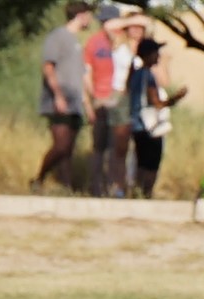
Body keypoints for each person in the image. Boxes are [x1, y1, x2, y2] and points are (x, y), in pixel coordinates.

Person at [37, 0, 90, 192]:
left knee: (68, 150)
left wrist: (87, 106)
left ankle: (67, 188)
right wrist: (58, 95)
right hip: (58, 101)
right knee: (61, 145)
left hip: (75, 102)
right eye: (88, 15)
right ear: (81, 15)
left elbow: (80, 77)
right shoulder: (58, 36)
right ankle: (38, 178)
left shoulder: (76, 42)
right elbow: (48, 66)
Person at [124, 33, 179, 193]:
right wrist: (175, 99)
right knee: (151, 164)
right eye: (156, 52)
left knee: (140, 162)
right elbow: (156, 103)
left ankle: (136, 192)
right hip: (149, 126)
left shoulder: (135, 74)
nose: (159, 56)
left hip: (136, 125)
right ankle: (146, 193)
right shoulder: (148, 75)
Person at [87, 6, 132, 197]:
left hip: (120, 99)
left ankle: (117, 186)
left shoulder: (126, 41)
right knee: (99, 147)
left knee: (119, 147)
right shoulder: (94, 42)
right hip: (101, 99)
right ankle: (96, 187)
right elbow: (87, 74)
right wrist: (91, 100)